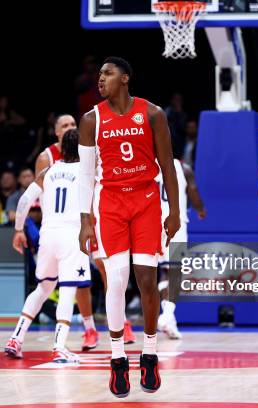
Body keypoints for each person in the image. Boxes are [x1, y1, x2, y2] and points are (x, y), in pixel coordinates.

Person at [78, 56, 180, 397]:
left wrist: (175, 211)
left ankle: (149, 354)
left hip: (147, 200)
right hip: (110, 203)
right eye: (99, 74)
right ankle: (118, 358)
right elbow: (86, 174)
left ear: (125, 77)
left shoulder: (152, 114)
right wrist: (84, 220)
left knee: (147, 279)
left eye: (107, 73)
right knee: (117, 280)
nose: (100, 79)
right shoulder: (91, 119)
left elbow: (167, 166)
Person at [5, 129, 91, 363]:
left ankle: (16, 338)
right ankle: (59, 346)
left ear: (61, 148)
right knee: (67, 289)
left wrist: (19, 230)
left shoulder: (48, 171)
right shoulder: (86, 172)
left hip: (48, 234)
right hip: (71, 235)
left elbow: (24, 201)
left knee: (43, 287)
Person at [35, 113, 99, 351]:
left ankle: (112, 324)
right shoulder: (46, 157)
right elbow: (41, 195)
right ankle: (83, 330)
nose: (71, 127)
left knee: (97, 273)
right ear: (57, 132)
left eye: (73, 124)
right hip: (60, 227)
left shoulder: (88, 153)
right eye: (65, 125)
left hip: (87, 222)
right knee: (70, 281)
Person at [155, 156, 206, 340]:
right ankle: (167, 315)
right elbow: (193, 192)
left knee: (164, 272)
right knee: (176, 272)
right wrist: (201, 209)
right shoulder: (183, 168)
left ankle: (170, 321)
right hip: (176, 224)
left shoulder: (148, 165)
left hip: (153, 223)